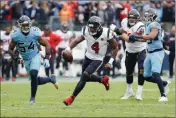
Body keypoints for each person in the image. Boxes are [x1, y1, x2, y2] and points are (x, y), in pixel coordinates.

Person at [63, 16, 118, 106]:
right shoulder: (85, 31)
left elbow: (115, 47)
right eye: (90, 27)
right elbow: (77, 41)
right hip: (88, 56)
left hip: (98, 58)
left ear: (99, 27)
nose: (91, 29)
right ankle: (102, 80)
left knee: (84, 76)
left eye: (94, 27)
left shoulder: (106, 33)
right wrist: (68, 48)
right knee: (85, 78)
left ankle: (72, 97)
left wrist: (110, 62)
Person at [8, 15, 58, 105]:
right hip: (25, 59)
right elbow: (10, 49)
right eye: (24, 25)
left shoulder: (35, 33)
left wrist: (47, 58)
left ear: (30, 24)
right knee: (35, 80)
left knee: (34, 73)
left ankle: (32, 98)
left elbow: (47, 44)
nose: (26, 27)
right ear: (20, 25)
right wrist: (16, 58)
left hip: (35, 56)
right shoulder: (16, 35)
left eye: (27, 24)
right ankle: (50, 79)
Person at [128, 8, 171, 102]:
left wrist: (137, 36)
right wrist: (135, 39)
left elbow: (152, 36)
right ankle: (164, 83)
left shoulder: (155, 24)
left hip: (157, 52)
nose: (147, 18)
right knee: (146, 76)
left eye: (149, 16)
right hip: (150, 52)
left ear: (154, 16)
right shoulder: (147, 25)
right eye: (146, 16)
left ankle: (163, 96)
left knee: (155, 73)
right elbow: (146, 39)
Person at [110, 9, 146, 100]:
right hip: (129, 50)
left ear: (137, 19)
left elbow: (131, 38)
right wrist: (118, 31)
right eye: (130, 18)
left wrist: (117, 31)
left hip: (141, 49)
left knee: (141, 69)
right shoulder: (124, 22)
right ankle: (129, 91)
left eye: (134, 19)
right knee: (129, 71)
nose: (131, 20)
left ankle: (139, 92)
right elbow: (124, 30)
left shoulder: (140, 26)